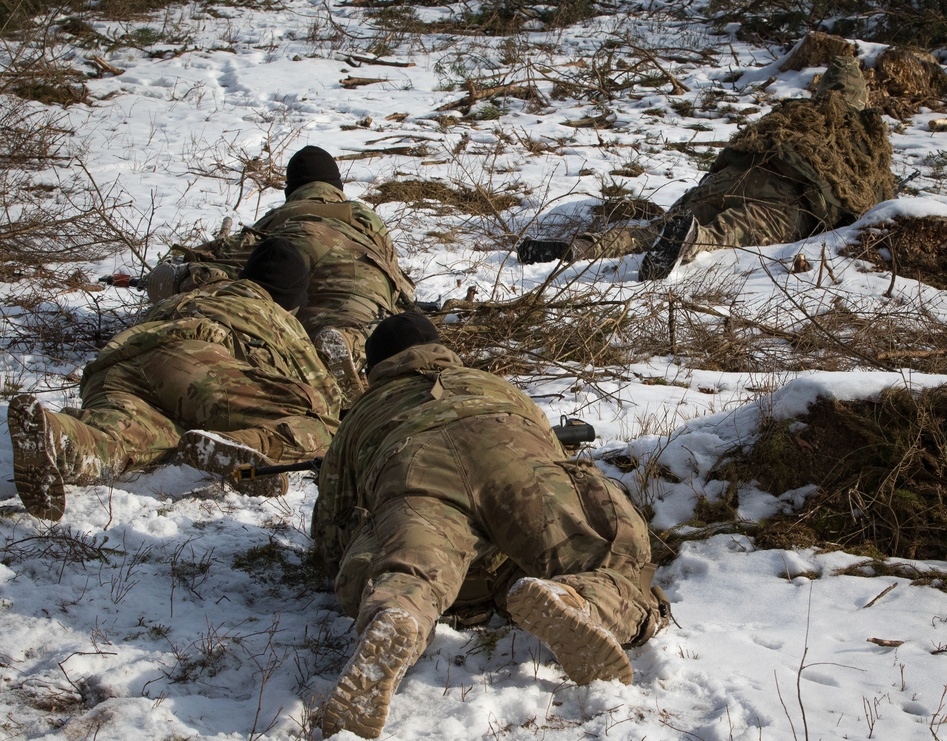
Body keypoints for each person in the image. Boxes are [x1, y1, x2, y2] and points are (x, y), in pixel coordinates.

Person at [310, 312, 667, 739]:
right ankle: (579, 599)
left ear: (375, 368)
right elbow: (556, 459)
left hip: (412, 471)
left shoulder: (361, 415)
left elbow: (330, 530)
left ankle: (399, 611)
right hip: (512, 456)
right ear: (441, 348)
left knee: (409, 565)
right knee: (611, 559)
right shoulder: (497, 385)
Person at [8, 237, 343, 521]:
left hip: (114, 366)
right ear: (290, 300)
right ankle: (244, 445)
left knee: (123, 439)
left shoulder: (198, 295)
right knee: (320, 421)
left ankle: (59, 438)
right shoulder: (275, 315)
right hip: (192, 364)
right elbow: (329, 398)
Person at [517, 55, 896, 280]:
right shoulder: (864, 138)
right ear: (860, 100)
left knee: (656, 229)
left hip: (730, 178)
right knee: (720, 233)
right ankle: (685, 246)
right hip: (786, 201)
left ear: (822, 90)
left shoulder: (793, 115)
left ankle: (579, 247)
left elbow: (737, 147)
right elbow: (871, 209)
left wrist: (711, 185)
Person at [146, 145, 417, 402]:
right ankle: (349, 340)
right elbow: (395, 273)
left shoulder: (278, 217)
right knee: (365, 319)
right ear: (338, 188)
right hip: (356, 271)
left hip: (287, 257)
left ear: (290, 191)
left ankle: (266, 348)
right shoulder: (364, 216)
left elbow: (231, 253)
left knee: (255, 298)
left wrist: (194, 272)